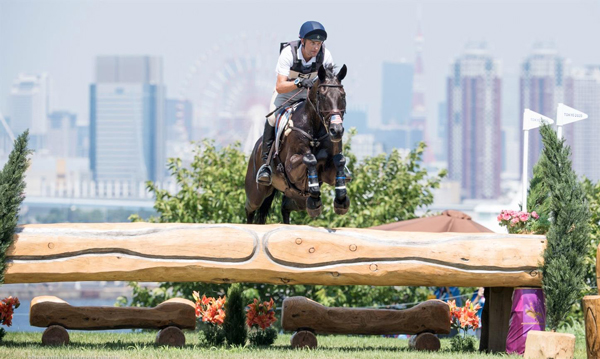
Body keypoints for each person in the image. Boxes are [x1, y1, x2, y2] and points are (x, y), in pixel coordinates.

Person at [256, 21, 334, 185]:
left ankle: (336, 161)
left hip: (309, 96)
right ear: (303, 41)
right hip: (286, 93)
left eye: (319, 43)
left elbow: (328, 83)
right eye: (313, 43)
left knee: (332, 119)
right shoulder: (288, 53)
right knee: (271, 119)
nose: (316, 47)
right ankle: (265, 166)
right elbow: (280, 86)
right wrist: (299, 83)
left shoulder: (325, 55)